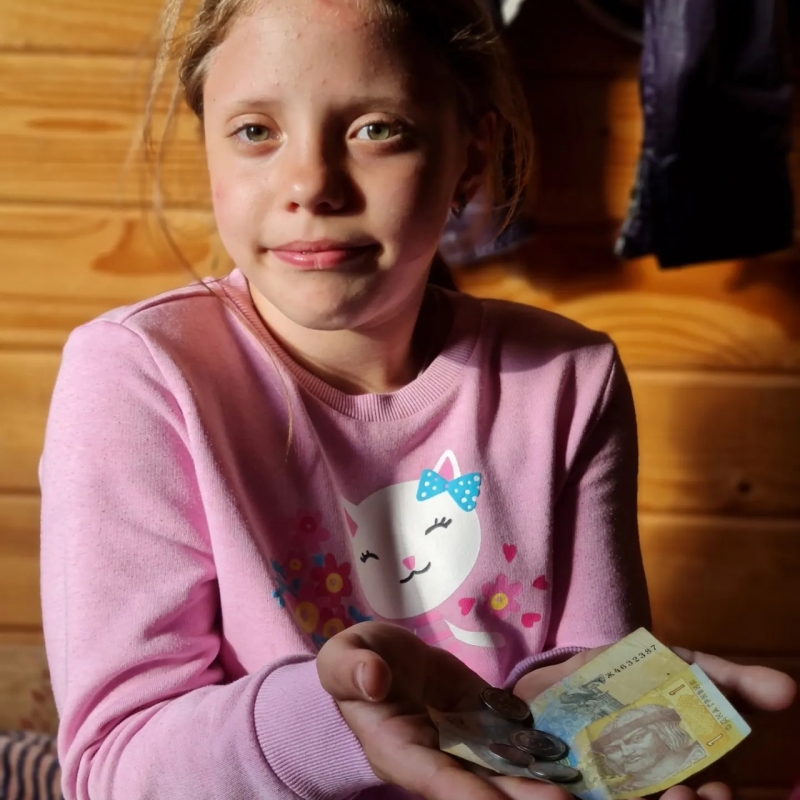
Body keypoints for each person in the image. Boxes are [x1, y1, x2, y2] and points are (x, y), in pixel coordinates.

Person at [38, 1, 796, 799]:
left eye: (376, 129)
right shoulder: (140, 374)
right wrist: (345, 719)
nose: (311, 186)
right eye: (256, 131)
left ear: (471, 157)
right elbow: (113, 767)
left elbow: (587, 686)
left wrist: (604, 713)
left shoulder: (571, 377)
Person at [589, 704, 706, 791]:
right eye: (613, 750)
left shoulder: (705, 754)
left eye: (637, 738)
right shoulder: (619, 790)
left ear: (665, 732)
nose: (626, 752)